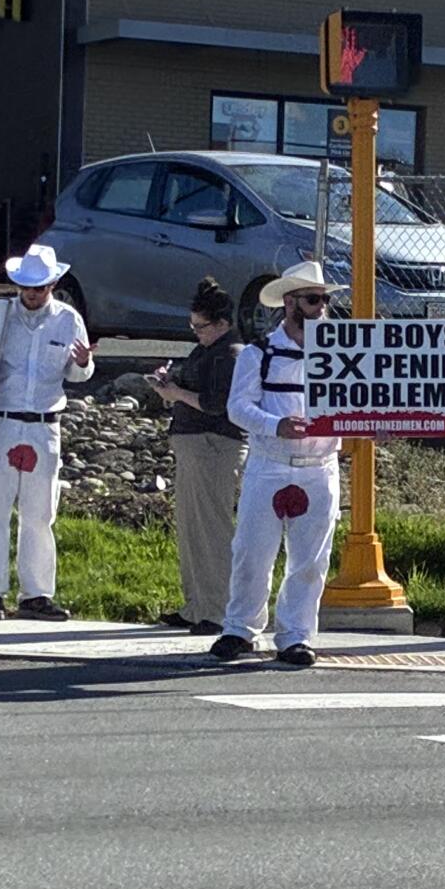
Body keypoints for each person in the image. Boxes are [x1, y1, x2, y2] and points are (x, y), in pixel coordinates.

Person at [210, 261, 342, 669]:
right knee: (252, 550)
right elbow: (238, 407)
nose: (321, 307)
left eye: (324, 299)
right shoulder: (258, 353)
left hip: (320, 464)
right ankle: (240, 628)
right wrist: (276, 425)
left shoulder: (343, 352)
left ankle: (296, 635)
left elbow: (364, 403)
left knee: (310, 559)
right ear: (289, 302)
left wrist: (379, 424)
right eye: (312, 299)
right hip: (269, 462)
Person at [0, 245, 93, 621]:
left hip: (44, 423)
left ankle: (36, 594)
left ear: (53, 284)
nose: (32, 293)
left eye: (40, 287)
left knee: (40, 513)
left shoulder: (68, 319)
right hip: (0, 420)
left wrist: (84, 363)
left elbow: (76, 376)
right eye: (27, 286)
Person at [149, 276, 244, 633]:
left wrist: (175, 393)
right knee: (191, 528)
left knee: (211, 529)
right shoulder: (208, 349)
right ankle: (196, 605)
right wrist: (170, 385)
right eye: (192, 326)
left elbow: (217, 404)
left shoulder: (230, 354)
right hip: (194, 444)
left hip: (213, 446)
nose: (196, 332)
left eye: (201, 326)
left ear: (222, 324)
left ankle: (216, 610)